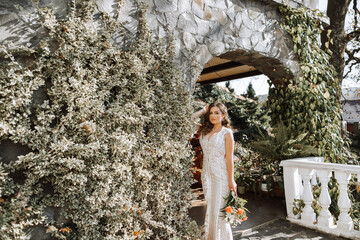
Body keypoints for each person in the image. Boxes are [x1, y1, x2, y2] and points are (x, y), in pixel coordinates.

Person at [191, 102, 236, 240]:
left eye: (217, 113)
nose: (213, 116)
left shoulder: (227, 133)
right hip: (207, 176)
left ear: (223, 115)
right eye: (211, 113)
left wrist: (231, 181)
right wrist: (202, 110)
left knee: (219, 210)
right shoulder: (204, 131)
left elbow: (229, 158)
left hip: (221, 176)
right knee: (211, 207)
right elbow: (189, 120)